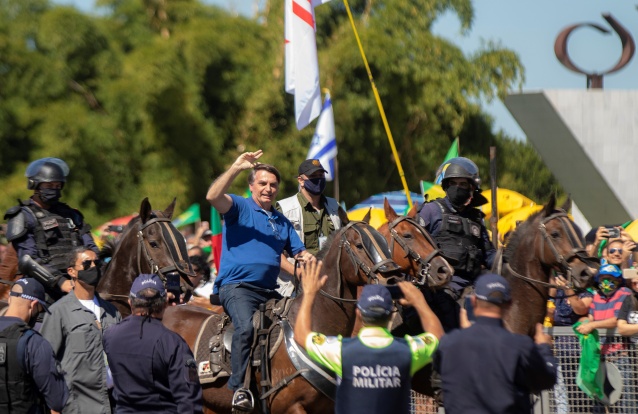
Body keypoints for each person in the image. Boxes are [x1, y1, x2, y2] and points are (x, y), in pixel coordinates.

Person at [205, 149, 311, 411]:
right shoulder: (239, 207)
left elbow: (300, 253)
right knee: (245, 328)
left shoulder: (281, 222)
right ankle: (239, 391)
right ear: (251, 186)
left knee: (295, 324)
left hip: (269, 291)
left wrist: (312, 260)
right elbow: (212, 196)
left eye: (273, 185)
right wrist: (236, 167)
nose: (268, 189)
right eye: (263, 183)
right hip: (237, 288)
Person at [294, 260, 443, 414]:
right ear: (391, 312)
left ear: (358, 313)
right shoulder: (409, 351)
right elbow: (437, 336)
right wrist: (420, 302)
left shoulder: (341, 351)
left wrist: (309, 294)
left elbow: (301, 335)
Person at [433, 273, 557, 414]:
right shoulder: (520, 345)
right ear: (509, 304)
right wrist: (544, 347)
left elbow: (440, 370)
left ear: (473, 301)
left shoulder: (449, 343)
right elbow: (547, 379)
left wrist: (465, 336)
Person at [103, 273, 203, 413]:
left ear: (130, 302)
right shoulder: (172, 342)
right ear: (164, 303)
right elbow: (189, 398)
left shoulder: (110, 335)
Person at [4, 157, 98, 303]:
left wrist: (91, 272)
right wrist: (61, 282)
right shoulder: (23, 216)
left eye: (57, 185)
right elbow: (28, 260)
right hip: (42, 290)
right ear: (35, 185)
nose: (54, 189)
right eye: (49, 185)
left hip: (81, 283)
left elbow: (91, 248)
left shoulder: (71, 214)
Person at [418, 157, 496, 331]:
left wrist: (506, 259)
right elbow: (414, 245)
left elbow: (489, 254)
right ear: (446, 186)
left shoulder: (476, 218)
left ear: (472, 188)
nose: (458, 187)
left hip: (473, 284)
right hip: (441, 285)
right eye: (453, 183)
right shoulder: (431, 211)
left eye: (463, 184)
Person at [40, 246, 121, 414]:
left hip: (114, 403)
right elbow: (46, 362)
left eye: (96, 263)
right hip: (78, 405)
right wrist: (54, 405)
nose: (93, 267)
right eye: (86, 264)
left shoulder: (112, 311)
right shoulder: (58, 312)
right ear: (72, 271)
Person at [0, 278, 68, 413]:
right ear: (33, 305)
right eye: (40, 310)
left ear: (10, 299)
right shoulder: (34, 343)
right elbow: (57, 400)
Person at [275, 159, 342, 296]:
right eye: (313, 176)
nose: (318, 180)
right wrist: (298, 273)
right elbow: (274, 252)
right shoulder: (284, 209)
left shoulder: (335, 206)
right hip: (296, 284)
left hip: (332, 281)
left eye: (321, 176)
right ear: (301, 180)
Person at [576, 264, 633, 413]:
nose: (606, 282)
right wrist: (585, 322)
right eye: (603, 278)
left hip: (618, 357)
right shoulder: (596, 297)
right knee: (599, 402)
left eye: (610, 278)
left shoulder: (624, 293)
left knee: (626, 403)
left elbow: (616, 320)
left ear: (618, 280)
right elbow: (590, 318)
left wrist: (592, 325)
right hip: (599, 358)